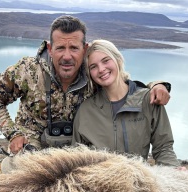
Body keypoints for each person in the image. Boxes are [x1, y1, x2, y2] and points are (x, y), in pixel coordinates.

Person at [0, 15, 172, 172]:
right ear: (50, 48)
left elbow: (121, 85)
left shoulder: (92, 72)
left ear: (84, 48)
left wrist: (156, 86)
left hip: (79, 149)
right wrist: (14, 134)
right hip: (34, 146)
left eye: (74, 48)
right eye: (60, 48)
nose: (67, 56)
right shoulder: (27, 70)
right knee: (14, 169)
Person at [72, 39, 180, 167]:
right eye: (93, 67)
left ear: (118, 60)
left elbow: (163, 149)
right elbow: (77, 160)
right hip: (98, 180)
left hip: (138, 179)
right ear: (90, 74)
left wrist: (173, 172)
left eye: (106, 61)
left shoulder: (148, 100)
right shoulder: (86, 110)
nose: (101, 69)